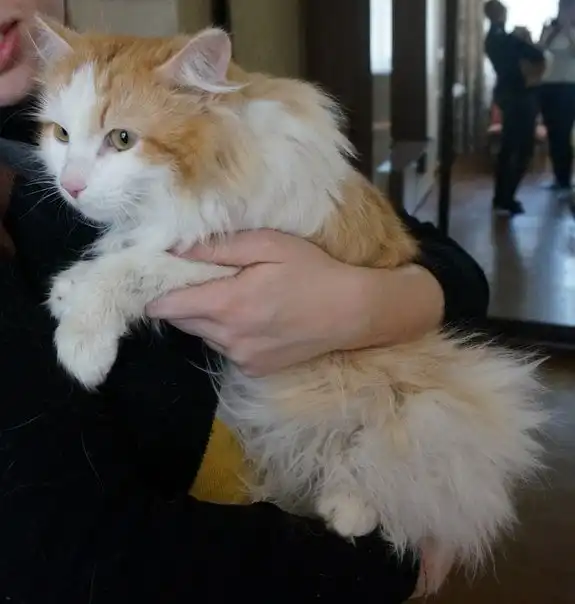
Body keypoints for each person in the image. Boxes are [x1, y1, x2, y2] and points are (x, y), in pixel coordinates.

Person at [0, 2, 490, 602]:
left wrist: (371, 302)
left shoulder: (171, 99)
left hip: (352, 432)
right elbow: (64, 562)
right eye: (60, 135)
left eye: (119, 139)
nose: (71, 182)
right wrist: (386, 569)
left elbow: (454, 269)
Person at [484, 0, 546, 216]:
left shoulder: (491, 38)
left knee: (509, 148)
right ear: (501, 14)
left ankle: (502, 197)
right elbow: (537, 54)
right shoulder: (506, 39)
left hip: (506, 95)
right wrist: (526, 38)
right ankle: (506, 197)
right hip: (519, 96)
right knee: (522, 149)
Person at [539, 0, 575, 194]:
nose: (565, 12)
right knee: (553, 134)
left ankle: (565, 181)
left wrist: (568, 31)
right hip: (547, 86)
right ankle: (557, 178)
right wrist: (551, 32)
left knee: (563, 134)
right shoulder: (550, 28)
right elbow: (539, 50)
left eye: (569, 8)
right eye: (562, 8)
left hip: (568, 87)